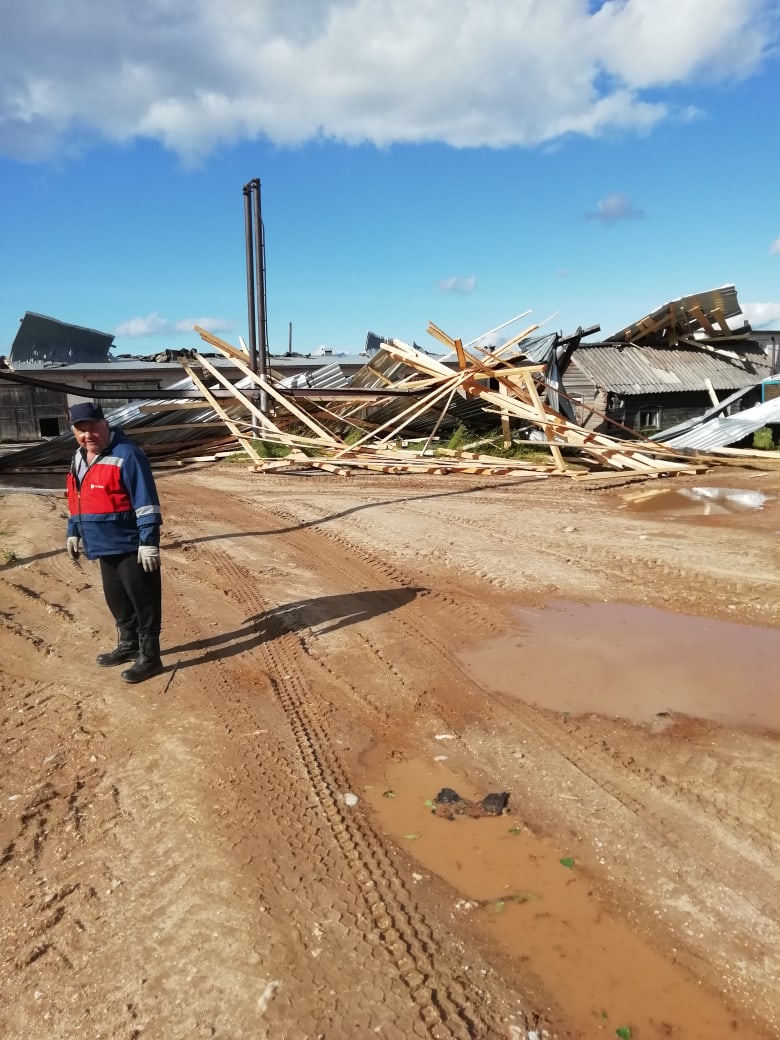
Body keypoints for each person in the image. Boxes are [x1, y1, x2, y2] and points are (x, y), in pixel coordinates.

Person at [65, 401, 164, 684]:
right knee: (117, 601)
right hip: (101, 544)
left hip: (130, 544)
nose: (88, 435)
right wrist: (74, 528)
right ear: (74, 431)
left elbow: (146, 503)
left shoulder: (128, 455)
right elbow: (77, 497)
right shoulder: (78, 458)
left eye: (93, 427)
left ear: (105, 425)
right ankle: (128, 645)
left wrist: (149, 541)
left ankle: (150, 657)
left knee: (144, 601)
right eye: (80, 430)